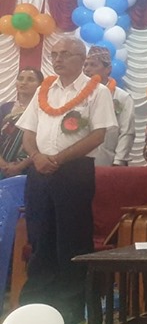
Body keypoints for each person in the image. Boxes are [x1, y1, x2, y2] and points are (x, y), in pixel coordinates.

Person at [16, 37, 117, 323]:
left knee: (71, 241)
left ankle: (69, 309)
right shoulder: (43, 90)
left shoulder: (97, 92)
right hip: (39, 171)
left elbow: (98, 135)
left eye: (65, 54)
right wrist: (37, 157)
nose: (58, 59)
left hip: (74, 172)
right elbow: (28, 133)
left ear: (81, 59)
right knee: (40, 238)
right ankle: (36, 307)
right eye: (54, 54)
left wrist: (58, 159)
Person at [82, 46, 135, 166]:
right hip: (79, 161)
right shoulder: (78, 95)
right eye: (85, 65)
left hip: (108, 161)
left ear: (108, 69)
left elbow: (126, 132)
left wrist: (119, 161)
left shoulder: (121, 97)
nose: (87, 69)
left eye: (93, 65)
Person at [0, 68, 43, 177]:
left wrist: (20, 166)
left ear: (40, 85)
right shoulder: (5, 108)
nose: (24, 82)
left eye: (30, 79)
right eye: (20, 78)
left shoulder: (43, 111)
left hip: (30, 167)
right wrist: (3, 165)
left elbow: (43, 143)